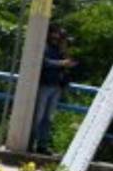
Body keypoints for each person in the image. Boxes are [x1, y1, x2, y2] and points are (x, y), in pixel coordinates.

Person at [31, 24, 78, 155]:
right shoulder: (44, 47)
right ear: (50, 34)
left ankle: (42, 146)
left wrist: (67, 60)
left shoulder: (60, 50)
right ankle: (31, 143)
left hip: (57, 87)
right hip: (45, 85)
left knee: (48, 118)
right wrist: (61, 63)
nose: (58, 37)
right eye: (56, 33)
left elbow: (66, 63)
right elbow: (43, 62)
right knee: (38, 116)